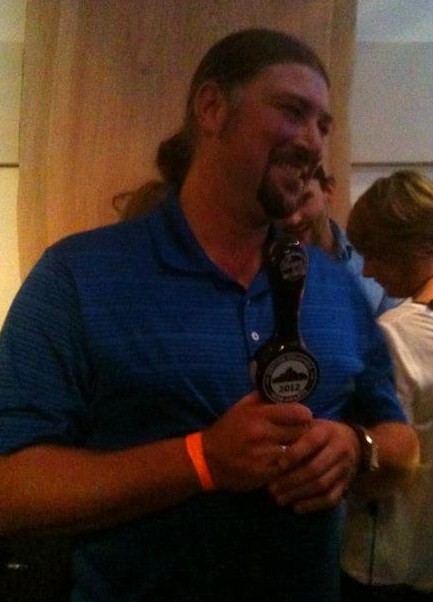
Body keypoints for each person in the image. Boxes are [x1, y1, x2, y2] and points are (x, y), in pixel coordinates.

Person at [0, 29, 419, 602]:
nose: (313, 141)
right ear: (213, 108)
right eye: (292, 111)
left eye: (324, 125)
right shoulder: (78, 277)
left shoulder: (334, 285)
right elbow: (12, 489)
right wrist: (200, 460)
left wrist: (356, 447)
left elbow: (402, 446)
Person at [341, 170, 433, 601]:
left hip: (388, 563)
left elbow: (382, 468)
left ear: (422, 247)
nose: (368, 270)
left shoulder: (395, 333)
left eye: (377, 254)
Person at [280, 165, 398, 316]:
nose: (293, 219)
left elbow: (395, 323)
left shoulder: (369, 256)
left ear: (328, 190)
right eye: (283, 206)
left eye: (304, 200)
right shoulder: (266, 268)